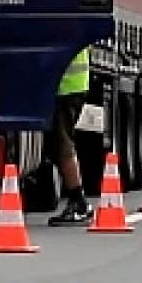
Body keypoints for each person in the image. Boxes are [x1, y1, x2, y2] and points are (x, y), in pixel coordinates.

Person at [47, 47, 95, 226]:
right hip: (72, 86)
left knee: (62, 144)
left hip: (65, 88)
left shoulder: (62, 24)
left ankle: (78, 202)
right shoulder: (72, 22)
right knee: (58, 144)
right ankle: (77, 201)